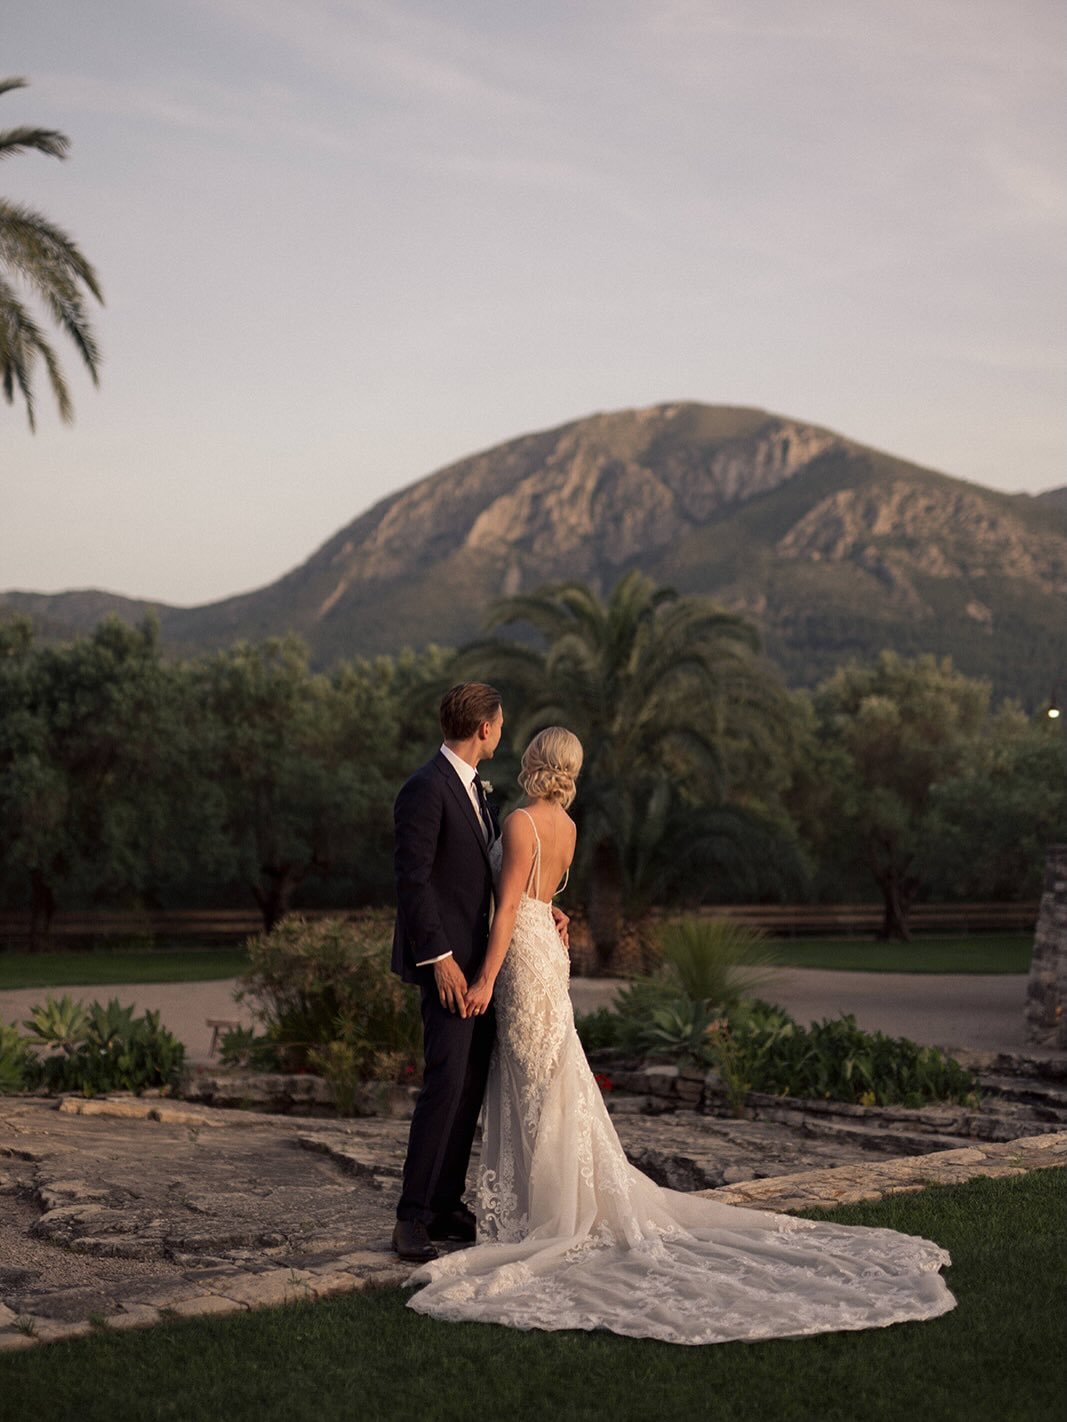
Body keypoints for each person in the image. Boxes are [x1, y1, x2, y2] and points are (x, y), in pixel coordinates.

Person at [406, 726, 958, 1345]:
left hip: (520, 963)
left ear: (535, 762)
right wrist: (552, 914)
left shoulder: (518, 821)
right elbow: (541, 897)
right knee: (553, 1080)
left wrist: (482, 979)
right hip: (547, 957)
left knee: (538, 1084)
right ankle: (550, 1204)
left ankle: (550, 1216)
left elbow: (507, 908)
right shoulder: (568, 825)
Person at [391, 683, 567, 1263]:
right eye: (501, 722)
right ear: (485, 728)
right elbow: (413, 882)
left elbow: (502, 886)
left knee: (469, 1087)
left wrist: (546, 908)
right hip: (450, 969)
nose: (503, 730)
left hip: (492, 969)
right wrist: (438, 959)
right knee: (444, 1086)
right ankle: (411, 1218)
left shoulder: (478, 794)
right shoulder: (425, 788)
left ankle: (444, 1204)